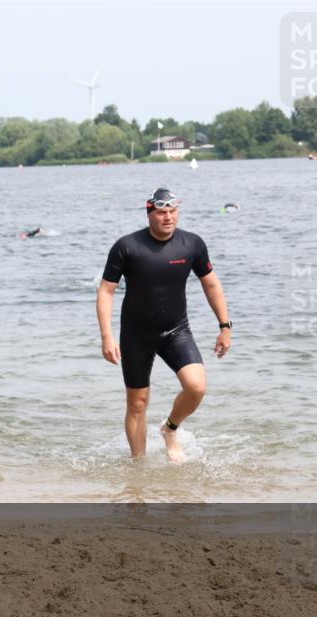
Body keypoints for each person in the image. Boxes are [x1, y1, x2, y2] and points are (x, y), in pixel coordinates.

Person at [96, 188, 232, 462]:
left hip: (176, 330)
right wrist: (107, 336)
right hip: (136, 335)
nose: (168, 217)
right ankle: (138, 470)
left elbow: (211, 283)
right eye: (161, 212)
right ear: (150, 214)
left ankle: (170, 429)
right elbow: (106, 291)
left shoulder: (192, 244)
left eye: (172, 211)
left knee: (196, 387)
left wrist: (225, 326)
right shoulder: (127, 246)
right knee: (137, 403)